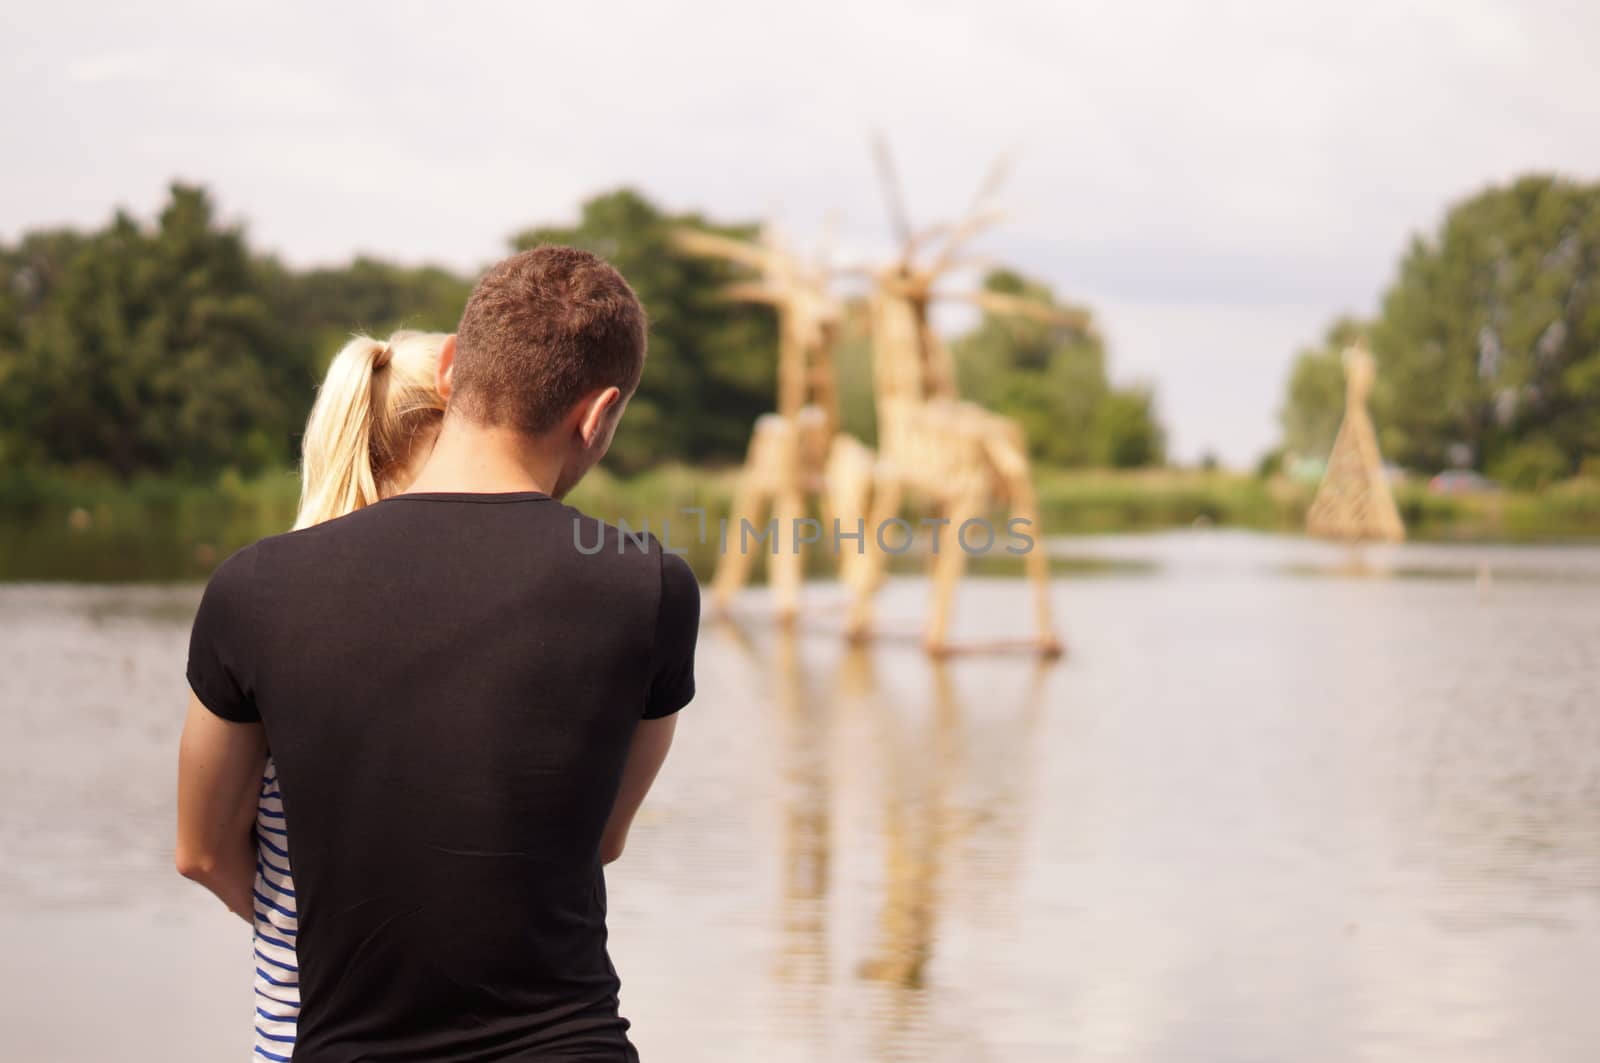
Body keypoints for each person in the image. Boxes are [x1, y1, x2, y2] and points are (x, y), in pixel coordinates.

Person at [176, 247, 700, 1062]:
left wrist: (342, 922)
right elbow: (595, 838)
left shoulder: (256, 587)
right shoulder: (651, 587)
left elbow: (201, 849)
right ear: (597, 415)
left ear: (452, 367)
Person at [249, 326, 452, 1060]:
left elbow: (202, 851)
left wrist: (319, 920)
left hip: (297, 1020)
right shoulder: (467, 604)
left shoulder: (266, 598)